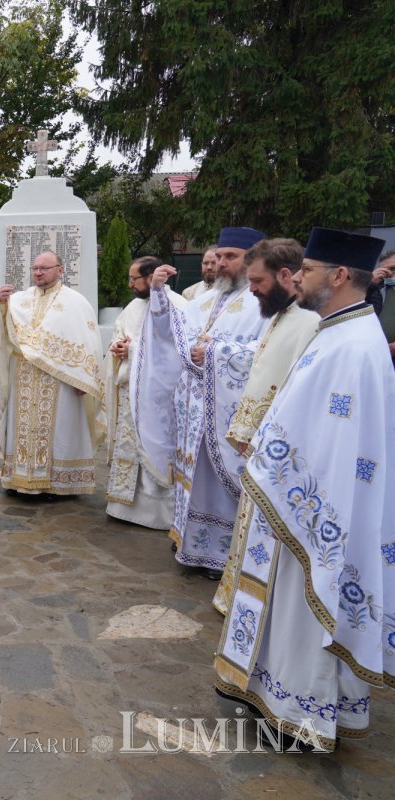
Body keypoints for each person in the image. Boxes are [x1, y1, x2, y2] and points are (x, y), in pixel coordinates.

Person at [213, 227, 393, 752]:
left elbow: (339, 446)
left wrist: (278, 476)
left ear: (338, 276)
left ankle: (301, 713)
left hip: (315, 515)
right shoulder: (338, 331)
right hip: (297, 500)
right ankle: (280, 700)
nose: (299, 279)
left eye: (309, 271)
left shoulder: (353, 346)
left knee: (304, 614)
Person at [137, 227, 266, 580]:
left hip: (227, 408)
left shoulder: (263, 303)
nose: (222, 264)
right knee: (191, 474)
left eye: (230, 257)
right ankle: (188, 542)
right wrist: (159, 294)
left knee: (218, 481)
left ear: (252, 259)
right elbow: (174, 329)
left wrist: (216, 352)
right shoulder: (208, 298)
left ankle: (219, 554)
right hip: (194, 407)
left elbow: (271, 353)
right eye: (220, 256)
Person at [209, 238, 322, 615]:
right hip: (259, 451)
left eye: (257, 280)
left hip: (281, 455)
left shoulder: (310, 323)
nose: (252, 288)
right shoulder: (281, 315)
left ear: (285, 275)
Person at [0, 250, 103, 496]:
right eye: (35, 268)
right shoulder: (20, 299)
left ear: (60, 269)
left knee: (58, 430)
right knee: (23, 428)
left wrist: (86, 379)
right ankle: (19, 479)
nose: (38, 272)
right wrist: (1, 304)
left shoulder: (76, 302)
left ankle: (55, 484)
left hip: (60, 380)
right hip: (23, 377)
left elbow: (89, 341)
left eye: (44, 268)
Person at [103, 256, 186, 528]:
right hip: (131, 390)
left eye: (134, 279)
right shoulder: (133, 306)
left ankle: (157, 513)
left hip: (157, 396)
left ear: (151, 277)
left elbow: (173, 351)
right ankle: (124, 505)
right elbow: (120, 332)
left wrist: (133, 350)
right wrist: (118, 346)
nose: (130, 284)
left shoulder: (178, 305)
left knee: (153, 444)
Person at [368, 249, 395, 366]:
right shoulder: (377, 289)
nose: (389, 274)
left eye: (393, 268)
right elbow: (352, 306)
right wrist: (370, 284)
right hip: (376, 356)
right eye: (385, 270)